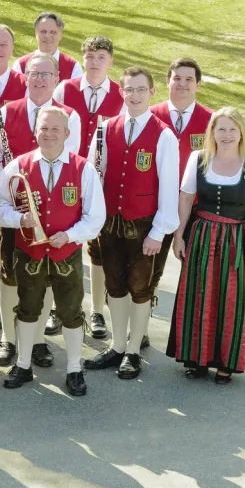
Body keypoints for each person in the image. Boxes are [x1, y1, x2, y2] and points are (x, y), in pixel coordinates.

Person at [0, 51, 81, 367]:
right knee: (9, 276)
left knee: (45, 278)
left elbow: (69, 162)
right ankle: (9, 340)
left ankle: (36, 342)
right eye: (33, 73)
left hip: (52, 213)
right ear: (25, 77)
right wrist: (10, 193)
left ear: (56, 79)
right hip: (13, 210)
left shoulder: (69, 116)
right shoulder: (6, 112)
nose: (38, 79)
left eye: (45, 74)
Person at [0, 106, 105, 396]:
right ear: (36, 132)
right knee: (28, 308)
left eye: (56, 129)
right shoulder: (18, 165)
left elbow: (96, 217)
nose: (49, 134)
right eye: (44, 128)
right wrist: (20, 220)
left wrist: (69, 235)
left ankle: (74, 368)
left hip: (65, 253)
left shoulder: (84, 169)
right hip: (29, 252)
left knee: (70, 311)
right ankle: (23, 364)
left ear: (67, 134)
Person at [83, 67, 180, 381]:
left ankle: (134, 350)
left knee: (140, 289)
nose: (134, 96)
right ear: (121, 92)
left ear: (152, 93)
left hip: (144, 227)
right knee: (115, 286)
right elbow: (93, 176)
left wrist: (159, 231)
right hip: (111, 223)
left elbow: (169, 187)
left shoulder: (163, 134)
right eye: (129, 90)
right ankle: (117, 344)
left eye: (141, 90)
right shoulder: (107, 128)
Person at [168, 107, 245, 384]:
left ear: (241, 133)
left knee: (232, 300)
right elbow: (186, 199)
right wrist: (179, 236)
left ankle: (227, 362)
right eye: (220, 129)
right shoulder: (198, 159)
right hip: (201, 235)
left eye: (232, 129)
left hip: (237, 239)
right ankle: (197, 358)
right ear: (212, 131)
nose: (226, 135)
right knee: (198, 295)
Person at [55, 35, 124, 339]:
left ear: (110, 61)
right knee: (62, 243)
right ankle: (59, 308)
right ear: (83, 59)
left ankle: (96, 310)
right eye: (90, 56)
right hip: (65, 178)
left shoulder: (121, 96)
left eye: (101, 57)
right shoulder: (65, 89)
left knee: (97, 248)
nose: (95, 62)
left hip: (102, 181)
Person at [151, 58, 213, 179]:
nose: (182, 83)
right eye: (177, 78)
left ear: (198, 85)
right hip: (157, 193)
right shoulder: (150, 115)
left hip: (195, 195)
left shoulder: (212, 119)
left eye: (189, 79)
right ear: (168, 81)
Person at [15, 12, 82, 81]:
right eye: (43, 32)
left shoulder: (73, 67)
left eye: (53, 32)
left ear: (60, 35)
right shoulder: (20, 65)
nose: (47, 36)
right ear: (36, 33)